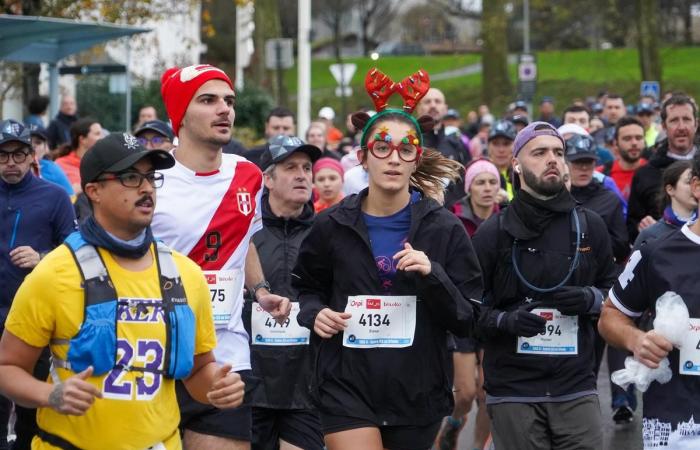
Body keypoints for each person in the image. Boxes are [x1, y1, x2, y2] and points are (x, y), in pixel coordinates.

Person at [0, 132, 246, 449]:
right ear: (94, 191)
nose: (145, 188)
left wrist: (217, 386)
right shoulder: (54, 273)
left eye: (150, 177)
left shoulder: (185, 275)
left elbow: (199, 371)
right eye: (130, 177)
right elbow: (7, 367)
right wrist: (50, 395)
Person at [292, 69, 482, 450]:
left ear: (417, 160)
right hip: (346, 385)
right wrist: (315, 314)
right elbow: (306, 288)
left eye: (406, 149)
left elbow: (467, 317)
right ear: (363, 158)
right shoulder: (332, 224)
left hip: (415, 391)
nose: (393, 159)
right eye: (382, 147)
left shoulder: (442, 228)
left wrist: (433, 275)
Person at [153, 64, 291, 449]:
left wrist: (261, 291)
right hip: (155, 350)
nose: (224, 110)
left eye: (229, 101)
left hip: (225, 354)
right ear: (179, 115)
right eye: (208, 100)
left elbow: (243, 239)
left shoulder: (246, 173)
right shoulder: (152, 179)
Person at [472, 121, 617, 450]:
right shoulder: (493, 233)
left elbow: (617, 297)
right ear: (517, 165)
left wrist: (590, 299)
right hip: (513, 388)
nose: (553, 159)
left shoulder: (590, 226)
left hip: (576, 385)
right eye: (540, 152)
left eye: (558, 153)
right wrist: (504, 321)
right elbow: (467, 312)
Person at [598, 153, 700, 449]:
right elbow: (610, 316)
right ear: (696, 187)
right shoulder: (656, 252)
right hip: (677, 425)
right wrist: (636, 339)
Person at [0, 119, 77, 450]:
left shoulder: (55, 196)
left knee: (32, 406)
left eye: (18, 155)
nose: (11, 163)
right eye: (3, 156)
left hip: (35, 322)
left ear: (32, 156)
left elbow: (77, 252)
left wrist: (42, 257)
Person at [244, 136, 324, 450]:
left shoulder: (325, 232)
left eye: (307, 167)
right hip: (251, 383)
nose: (302, 174)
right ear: (267, 179)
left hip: (306, 384)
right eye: (290, 167)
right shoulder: (246, 231)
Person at [437, 159, 501, 450]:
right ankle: (452, 424)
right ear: (469, 188)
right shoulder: (454, 218)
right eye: (480, 182)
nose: (487, 189)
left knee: (488, 393)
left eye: (492, 182)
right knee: (464, 393)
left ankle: (478, 446)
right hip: (462, 312)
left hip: (494, 312)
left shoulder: (508, 218)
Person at [628, 93, 698, 241]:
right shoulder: (645, 173)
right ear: (664, 126)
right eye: (674, 120)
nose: (681, 127)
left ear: (696, 124)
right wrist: (646, 228)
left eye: (686, 119)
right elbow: (631, 225)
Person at [566, 133, 629, 264]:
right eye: (578, 162)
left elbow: (622, 247)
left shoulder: (610, 199)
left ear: (595, 163)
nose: (584, 168)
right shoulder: (554, 197)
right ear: (565, 163)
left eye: (588, 162)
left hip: (598, 272)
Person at [416, 87, 471, 207]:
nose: (433, 105)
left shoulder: (457, 143)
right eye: (427, 102)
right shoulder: (410, 143)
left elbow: (467, 179)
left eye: (437, 101)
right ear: (418, 108)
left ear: (445, 109)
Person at [633, 160, 696, 250]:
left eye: (697, 183)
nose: (695, 187)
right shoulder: (651, 234)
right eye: (688, 182)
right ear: (670, 189)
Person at [599, 116, 648, 200]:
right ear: (616, 143)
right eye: (627, 139)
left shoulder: (656, 172)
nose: (634, 143)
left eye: (639, 138)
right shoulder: (601, 175)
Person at [54, 117, 103, 194]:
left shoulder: (103, 164)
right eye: (97, 134)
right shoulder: (60, 165)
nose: (102, 138)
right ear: (82, 139)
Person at [28, 124, 74, 196]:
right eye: (28, 141)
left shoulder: (53, 170)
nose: (33, 146)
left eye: (38, 142)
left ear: (46, 147)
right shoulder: (13, 168)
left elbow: (71, 198)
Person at [486, 120, 517, 202]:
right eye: (495, 144)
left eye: (506, 144)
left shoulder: (523, 175)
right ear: (488, 147)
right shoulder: (476, 175)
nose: (501, 150)